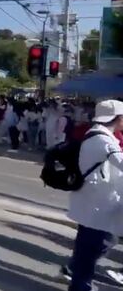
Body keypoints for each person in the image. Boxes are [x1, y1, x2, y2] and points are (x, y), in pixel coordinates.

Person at [61, 100, 123, 291]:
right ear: (118, 118)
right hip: (99, 204)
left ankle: (76, 277)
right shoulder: (103, 140)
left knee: (89, 246)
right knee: (94, 247)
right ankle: (80, 286)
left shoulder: (98, 134)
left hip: (94, 202)